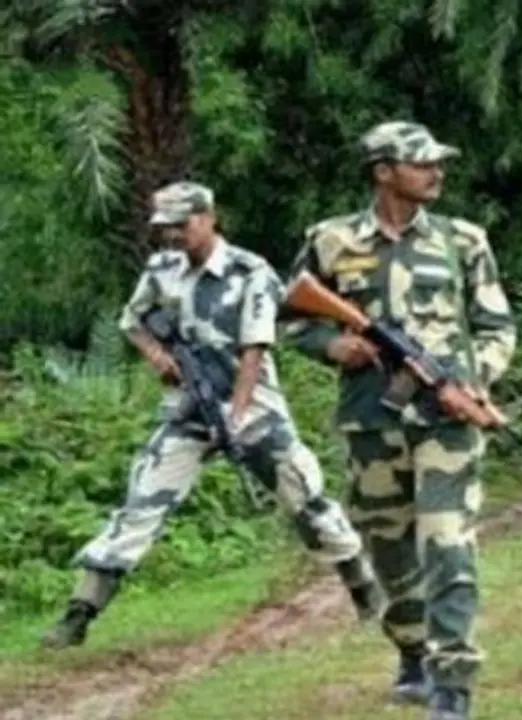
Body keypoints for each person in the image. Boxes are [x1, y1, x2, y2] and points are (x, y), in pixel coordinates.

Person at [41, 181, 377, 651]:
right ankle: (78, 616)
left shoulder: (250, 271)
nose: (173, 234)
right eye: (166, 226)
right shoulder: (162, 268)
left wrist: (235, 418)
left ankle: (366, 593)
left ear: (209, 218)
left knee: (307, 500)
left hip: (253, 409)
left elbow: (254, 351)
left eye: (182, 224)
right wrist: (158, 357)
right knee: (140, 506)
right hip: (187, 410)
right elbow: (133, 321)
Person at [283, 120, 516, 719]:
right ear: (383, 171)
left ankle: (453, 681)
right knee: (386, 547)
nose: (436, 172)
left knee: (447, 542)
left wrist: (473, 385)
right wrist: (333, 346)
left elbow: (496, 327)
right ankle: (413, 650)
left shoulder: (463, 241)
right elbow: (291, 316)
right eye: (422, 163)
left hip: (447, 421)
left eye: (439, 162)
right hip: (372, 422)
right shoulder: (332, 240)